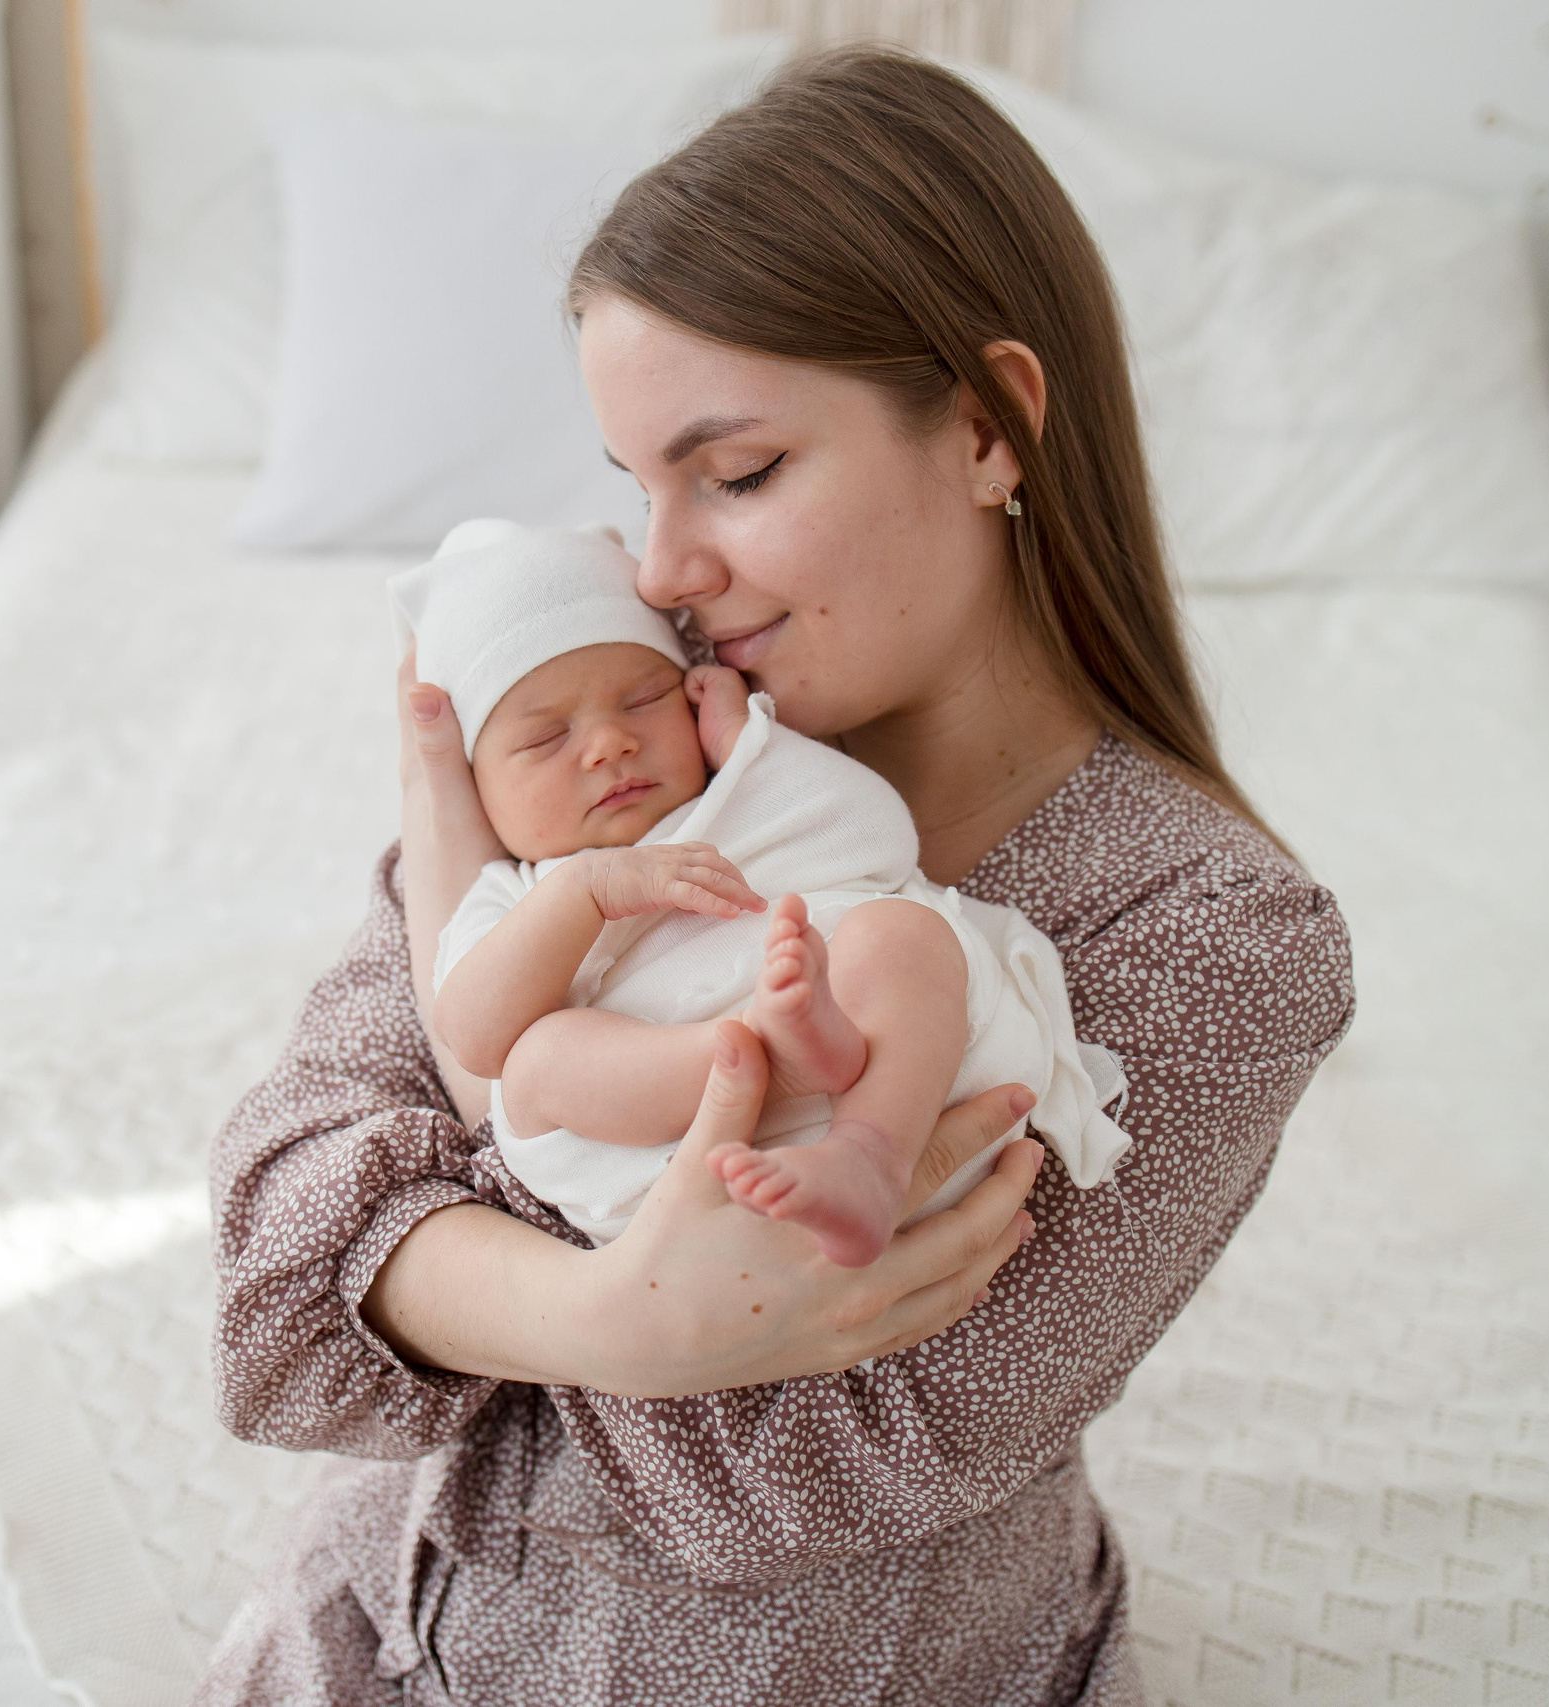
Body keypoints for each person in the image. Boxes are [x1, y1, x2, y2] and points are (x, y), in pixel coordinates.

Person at [201, 45, 1353, 1705]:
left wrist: (477, 1100)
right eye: (638, 485)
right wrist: (623, 1319)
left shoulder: (1212, 941)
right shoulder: (599, 734)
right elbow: (275, 1262)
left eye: (735, 474)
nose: (662, 571)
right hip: (362, 1638)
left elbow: (797, 1463)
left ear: (989, 426)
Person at [396, 516, 1128, 1265]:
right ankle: (760, 1056)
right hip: (671, 1166)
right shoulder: (517, 890)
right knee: (537, 1062)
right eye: (546, 738)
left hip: (892, 1091)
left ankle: (868, 1158)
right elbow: (475, 1032)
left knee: (906, 931)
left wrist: (750, 750)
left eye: (646, 699)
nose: (608, 743)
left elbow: (877, 839)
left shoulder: (740, 794)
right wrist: (587, 888)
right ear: (479, 787)